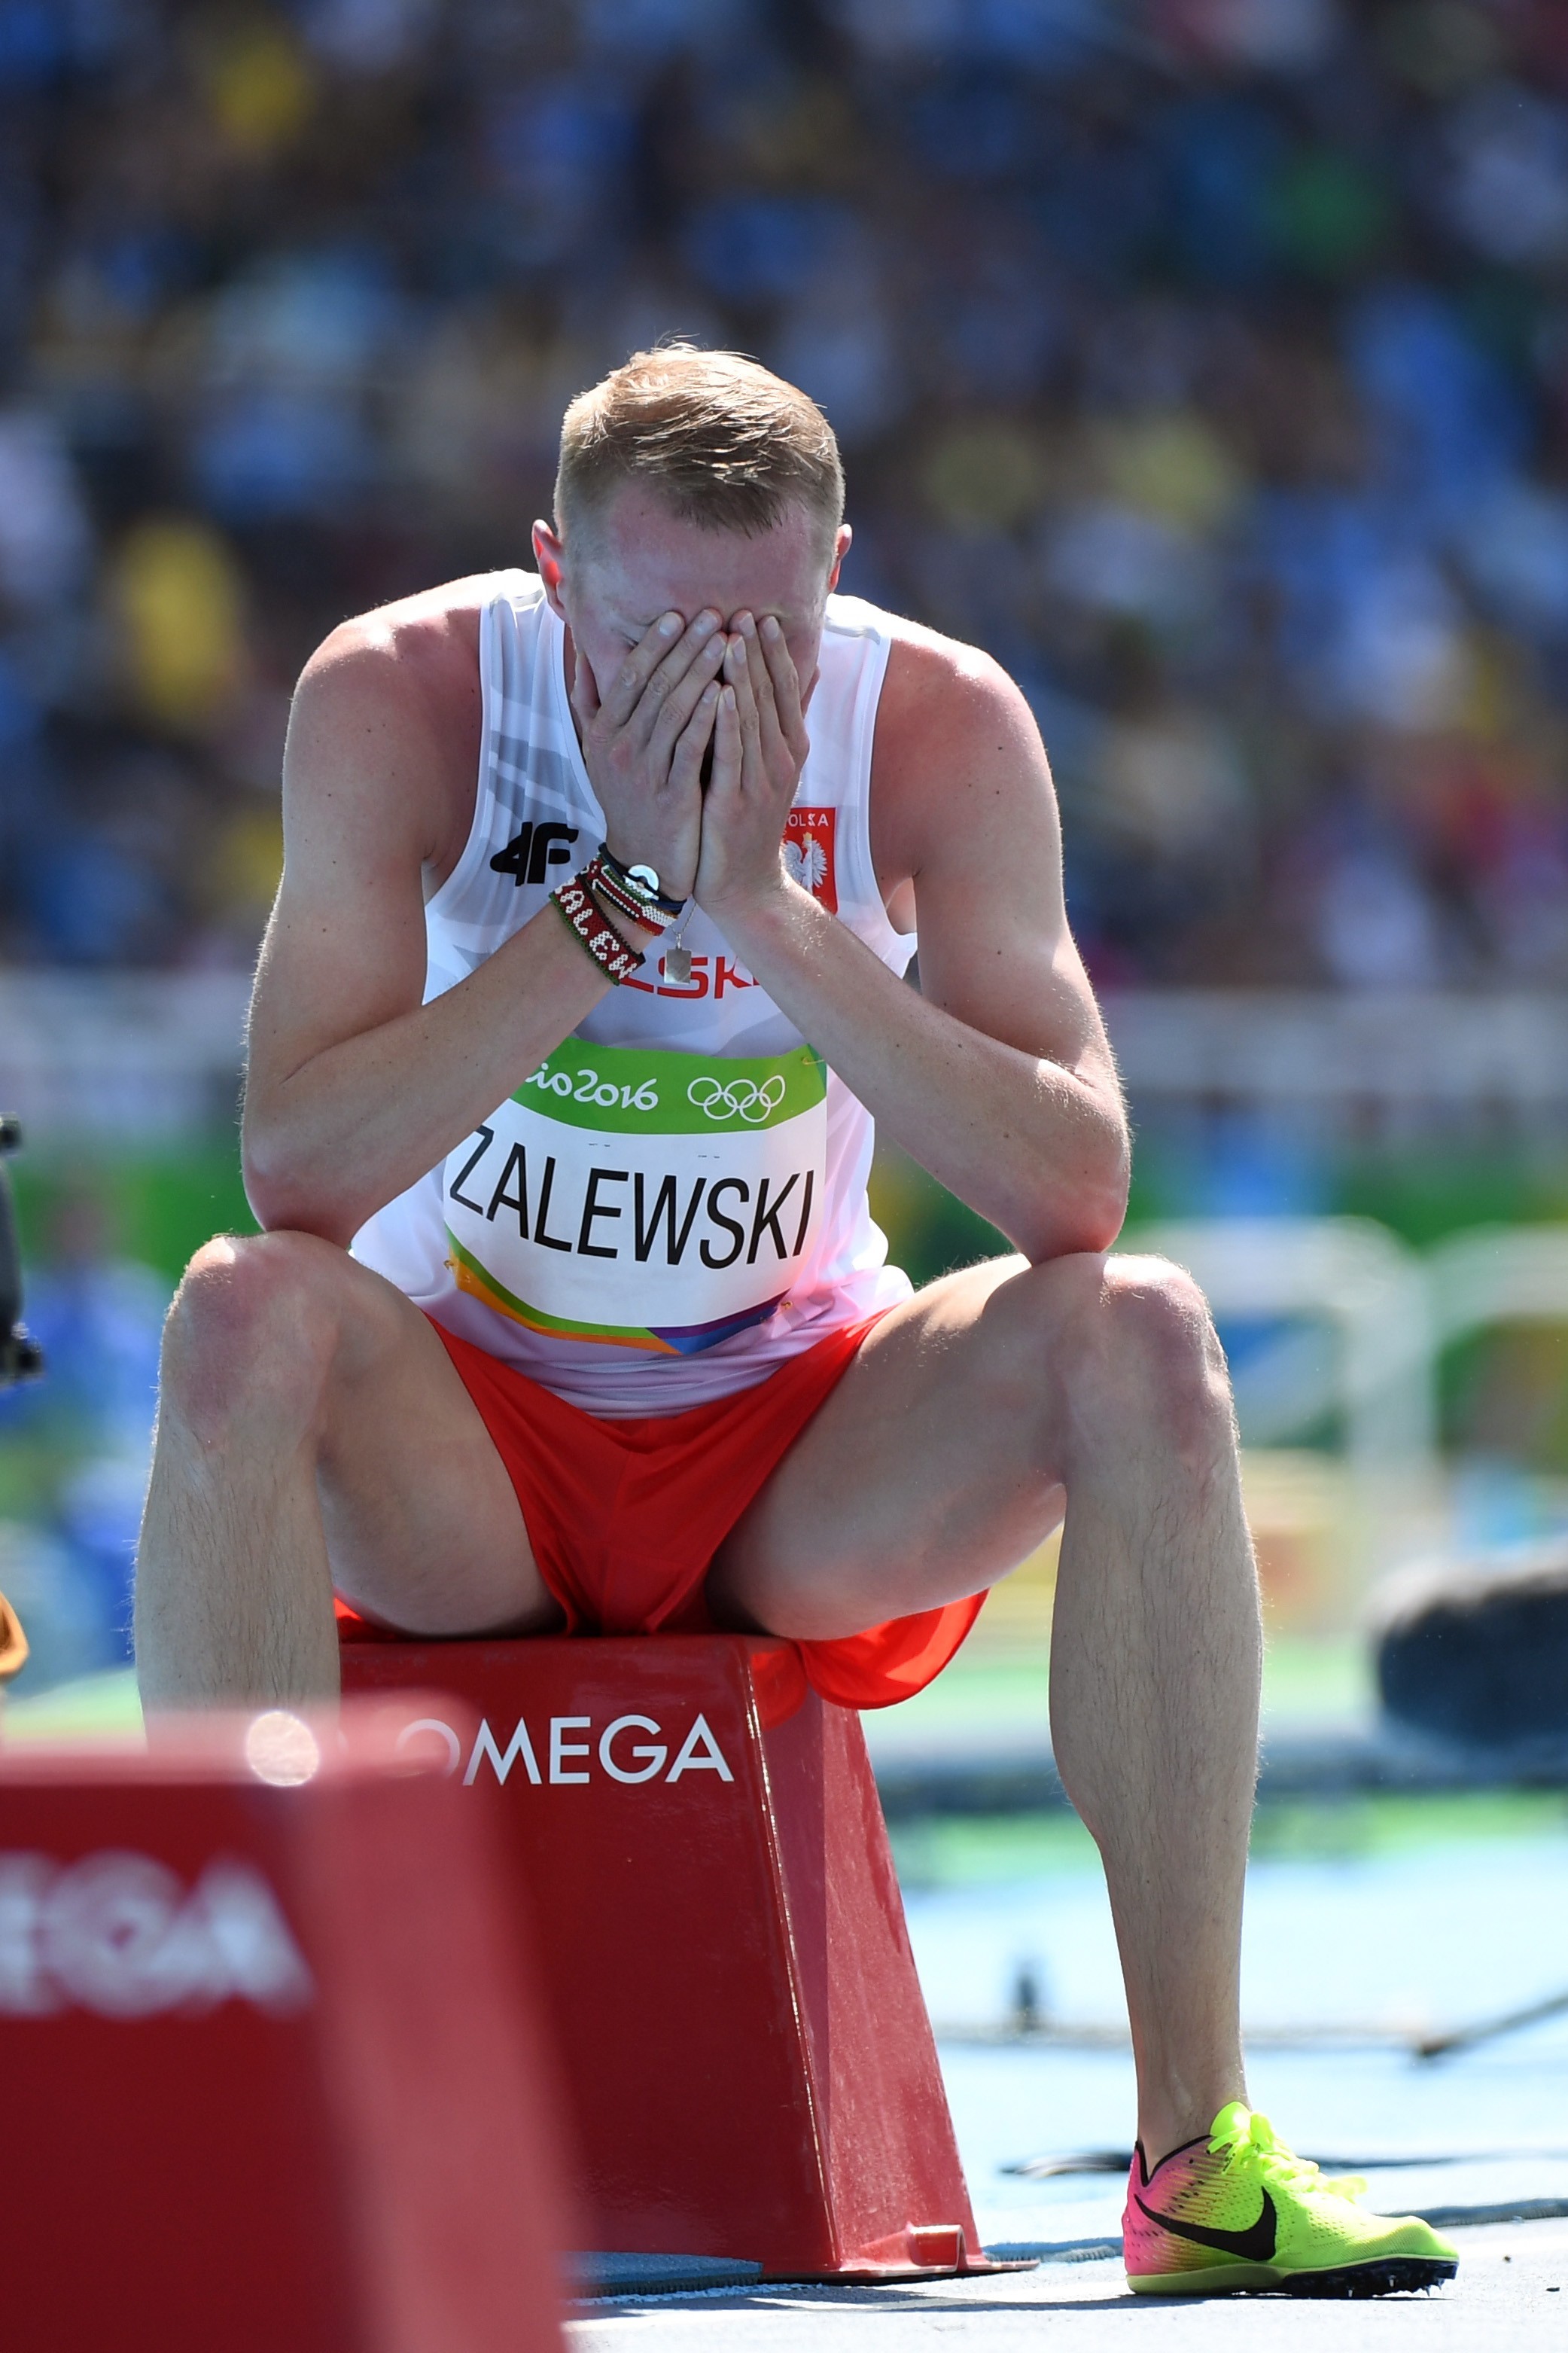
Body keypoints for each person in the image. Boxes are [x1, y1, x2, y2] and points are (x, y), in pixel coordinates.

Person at [133, 346, 1454, 2300]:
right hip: (465, 1462)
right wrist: (599, 923)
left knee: (1143, 1335)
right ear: (552, 575)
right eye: (663, 630)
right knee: (242, 1315)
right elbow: (295, 1171)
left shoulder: (930, 722)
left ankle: (1196, 2150)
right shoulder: (407, 693)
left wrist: (756, 906)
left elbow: (1068, 1190)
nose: (720, 684)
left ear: (841, 570)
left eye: (772, 631)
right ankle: (254, 2123)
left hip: (790, 1452)